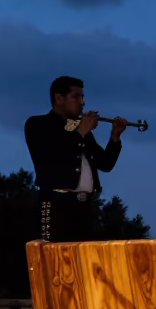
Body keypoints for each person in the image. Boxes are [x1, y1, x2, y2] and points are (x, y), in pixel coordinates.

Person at [24, 76, 127, 243]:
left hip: (85, 208)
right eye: (76, 96)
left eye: (83, 97)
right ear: (59, 98)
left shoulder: (82, 130)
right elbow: (54, 157)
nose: (82, 103)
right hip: (56, 206)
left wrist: (114, 138)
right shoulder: (38, 124)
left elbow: (105, 163)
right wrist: (81, 133)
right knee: (54, 259)